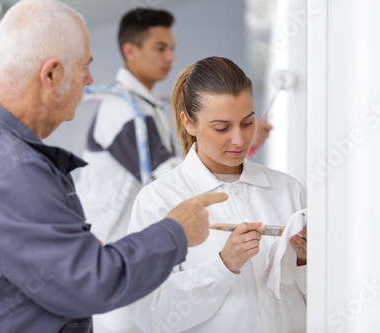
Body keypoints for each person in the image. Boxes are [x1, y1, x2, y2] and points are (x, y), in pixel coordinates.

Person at [0, 2, 228, 332]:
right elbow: (92, 281)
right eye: (84, 67)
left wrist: (68, 249)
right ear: (51, 74)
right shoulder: (10, 168)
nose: (91, 80)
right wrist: (175, 231)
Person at [127, 56, 307, 332]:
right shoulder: (159, 202)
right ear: (188, 123)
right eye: (222, 128)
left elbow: (330, 296)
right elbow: (152, 316)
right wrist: (224, 266)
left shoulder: (289, 191)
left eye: (247, 123)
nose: (239, 140)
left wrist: (305, 263)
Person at [76, 8, 180, 245]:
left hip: (125, 248)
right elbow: (169, 175)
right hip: (107, 247)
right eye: (160, 48)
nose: (170, 57)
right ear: (130, 51)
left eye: (172, 49)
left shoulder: (144, 103)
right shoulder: (122, 108)